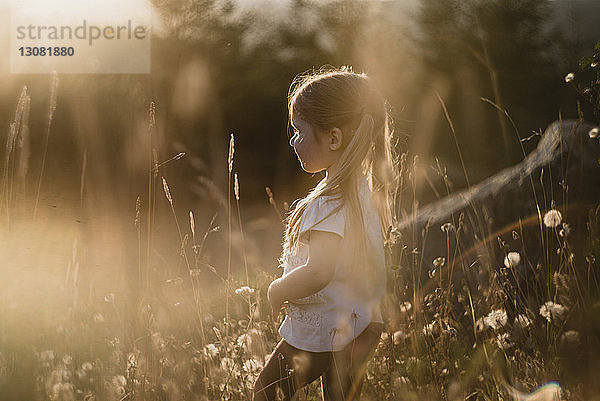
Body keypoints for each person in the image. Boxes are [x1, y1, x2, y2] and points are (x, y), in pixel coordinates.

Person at [252, 66, 398, 401]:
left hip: (325, 325)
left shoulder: (329, 203)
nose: (293, 141)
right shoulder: (365, 193)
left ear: (333, 138)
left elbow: (319, 270)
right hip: (361, 324)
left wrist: (276, 290)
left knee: (266, 392)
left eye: (299, 132)